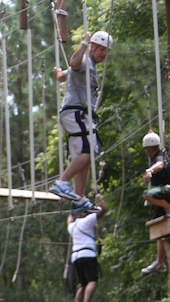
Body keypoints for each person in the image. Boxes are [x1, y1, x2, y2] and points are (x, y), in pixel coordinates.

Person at [50, 30, 113, 212]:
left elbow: (65, 75)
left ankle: (79, 196)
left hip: (80, 114)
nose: (103, 54)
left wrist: (59, 75)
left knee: (87, 155)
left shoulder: (89, 66)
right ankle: (62, 181)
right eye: (101, 50)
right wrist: (84, 43)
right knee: (88, 151)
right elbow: (74, 63)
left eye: (105, 51)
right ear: (93, 47)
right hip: (75, 112)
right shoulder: (86, 62)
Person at [140, 131, 170, 276]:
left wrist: (150, 171)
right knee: (160, 228)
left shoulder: (160, 156)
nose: (147, 152)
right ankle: (160, 262)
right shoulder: (157, 154)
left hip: (167, 190)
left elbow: (161, 164)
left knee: (147, 194)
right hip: (162, 193)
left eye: (149, 149)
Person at [67, 194, 106, 302]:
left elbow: (69, 220)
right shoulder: (87, 221)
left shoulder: (72, 226)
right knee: (92, 281)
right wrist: (99, 197)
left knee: (83, 285)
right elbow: (103, 209)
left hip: (76, 257)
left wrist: (72, 209)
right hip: (87, 254)